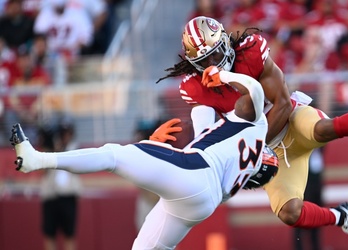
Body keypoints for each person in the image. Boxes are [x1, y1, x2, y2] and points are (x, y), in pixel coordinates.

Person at [156, 16, 348, 250]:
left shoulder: (250, 52)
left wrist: (255, 149)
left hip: (288, 121)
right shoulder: (195, 87)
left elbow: (281, 103)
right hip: (264, 149)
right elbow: (204, 138)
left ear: (225, 42)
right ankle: (342, 217)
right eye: (205, 60)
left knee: (324, 128)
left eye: (216, 53)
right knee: (290, 213)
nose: (213, 64)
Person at [10, 66, 280, 250]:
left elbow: (254, 90)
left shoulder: (258, 129)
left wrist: (221, 73)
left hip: (196, 172)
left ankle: (38, 160)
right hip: (202, 202)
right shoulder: (240, 161)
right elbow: (203, 118)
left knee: (114, 154)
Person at [38, 118, 81, 250]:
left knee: (69, 234)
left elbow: (72, 162)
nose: (65, 136)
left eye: (68, 133)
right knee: (49, 234)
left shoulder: (74, 148)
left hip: (68, 196)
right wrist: (47, 148)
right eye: (63, 133)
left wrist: (58, 149)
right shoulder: (49, 151)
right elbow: (42, 171)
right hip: (50, 196)